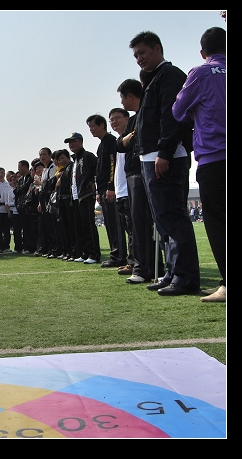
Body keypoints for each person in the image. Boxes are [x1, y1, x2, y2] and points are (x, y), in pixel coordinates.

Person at [129, 30, 200, 296]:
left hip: (166, 156)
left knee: (174, 217)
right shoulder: (152, 80)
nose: (139, 59)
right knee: (162, 221)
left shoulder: (170, 76)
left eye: (143, 52)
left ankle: (185, 277)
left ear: (157, 48)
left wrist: (165, 153)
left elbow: (173, 117)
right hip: (150, 157)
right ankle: (172, 272)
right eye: (136, 55)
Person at [172, 26, 226, 302]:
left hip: (215, 156)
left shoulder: (200, 73)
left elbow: (178, 110)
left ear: (203, 52)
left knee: (218, 223)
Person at [116, 78, 164, 285]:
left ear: (130, 96)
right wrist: (127, 139)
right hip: (134, 175)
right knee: (138, 223)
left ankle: (156, 268)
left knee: (153, 222)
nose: (121, 102)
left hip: (147, 170)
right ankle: (143, 267)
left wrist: (129, 140)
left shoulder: (148, 114)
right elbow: (120, 144)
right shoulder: (134, 120)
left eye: (122, 98)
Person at [86, 114, 126, 268]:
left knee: (115, 223)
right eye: (89, 127)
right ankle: (115, 254)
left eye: (93, 126)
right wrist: (99, 190)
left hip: (111, 189)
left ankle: (119, 256)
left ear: (102, 125)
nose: (91, 129)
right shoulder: (101, 144)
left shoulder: (110, 141)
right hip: (103, 189)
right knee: (109, 223)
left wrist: (110, 187)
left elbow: (113, 165)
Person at [65, 132, 100, 264]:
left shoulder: (88, 156)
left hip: (86, 195)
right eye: (69, 143)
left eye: (74, 141)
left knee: (88, 225)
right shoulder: (75, 160)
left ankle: (94, 253)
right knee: (79, 226)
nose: (71, 144)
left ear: (80, 142)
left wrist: (92, 182)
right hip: (76, 196)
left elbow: (98, 169)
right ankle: (84, 252)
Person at [108, 108, 135, 276]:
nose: (114, 122)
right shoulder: (118, 141)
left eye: (117, 118)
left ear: (127, 118)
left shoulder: (131, 138)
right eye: (111, 119)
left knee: (134, 229)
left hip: (130, 190)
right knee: (129, 229)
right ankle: (132, 261)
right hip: (121, 192)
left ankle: (135, 262)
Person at [37, 148, 58, 258]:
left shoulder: (52, 167)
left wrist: (40, 183)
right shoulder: (45, 169)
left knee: (52, 226)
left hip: (51, 199)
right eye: (40, 155)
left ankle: (55, 249)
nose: (42, 157)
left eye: (44, 154)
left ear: (50, 155)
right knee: (46, 226)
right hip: (43, 200)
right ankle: (50, 248)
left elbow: (51, 184)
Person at [12, 160, 37, 255]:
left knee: (30, 228)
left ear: (24, 167)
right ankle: (25, 246)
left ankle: (31, 247)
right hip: (21, 206)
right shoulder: (21, 179)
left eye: (19, 167)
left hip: (29, 206)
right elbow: (16, 191)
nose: (18, 169)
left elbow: (24, 188)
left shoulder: (30, 178)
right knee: (24, 228)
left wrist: (20, 189)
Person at [0, 167, 12, 253]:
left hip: (7, 208)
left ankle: (6, 246)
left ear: (4, 174)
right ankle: (0, 247)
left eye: (2, 173)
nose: (0, 175)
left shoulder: (8, 184)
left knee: (7, 229)